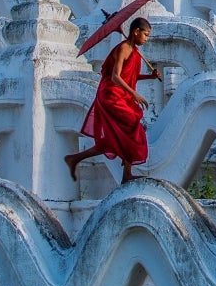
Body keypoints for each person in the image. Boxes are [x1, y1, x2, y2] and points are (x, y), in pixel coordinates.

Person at [66, 17, 161, 186]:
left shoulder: (135, 51)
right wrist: (135, 94)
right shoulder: (124, 48)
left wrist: (150, 76)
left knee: (118, 137)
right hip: (111, 95)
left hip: (121, 95)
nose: (146, 39)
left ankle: (76, 159)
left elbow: (129, 75)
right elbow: (115, 76)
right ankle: (126, 174)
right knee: (132, 125)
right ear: (135, 31)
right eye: (145, 34)